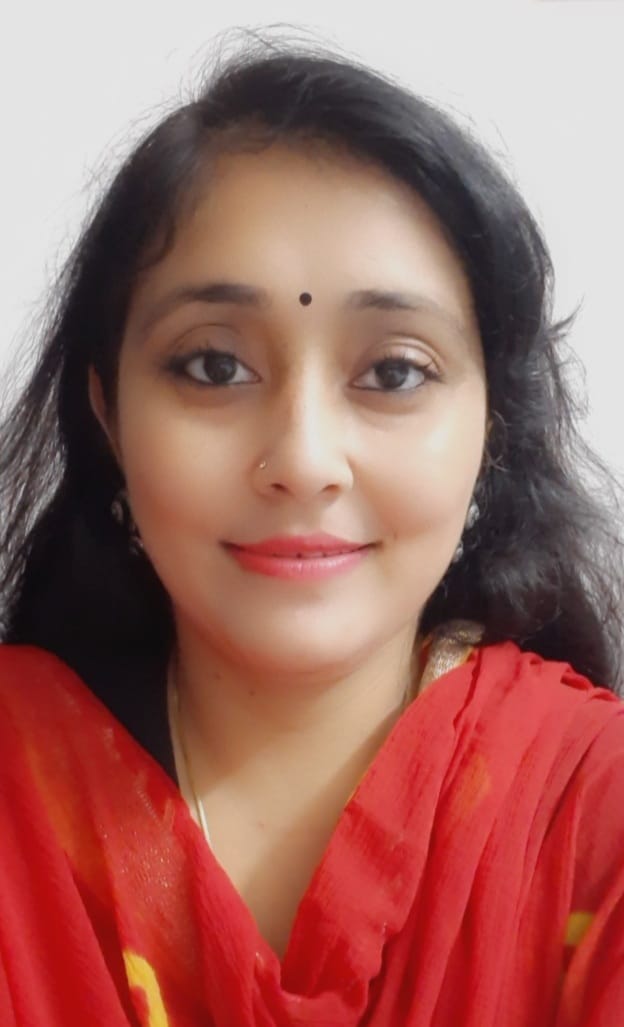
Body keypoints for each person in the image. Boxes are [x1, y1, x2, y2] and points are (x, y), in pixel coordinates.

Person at [1, 34, 624, 1027]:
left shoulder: (593, 817)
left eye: (393, 371)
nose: (303, 457)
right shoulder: (16, 796)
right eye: (214, 366)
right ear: (109, 415)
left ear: (491, 431)